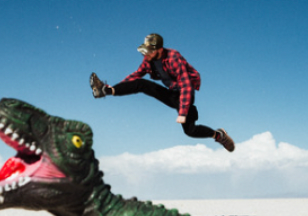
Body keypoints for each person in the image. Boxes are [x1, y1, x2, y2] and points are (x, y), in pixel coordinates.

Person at [90, 33, 235, 152]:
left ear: (158, 50)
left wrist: (183, 113)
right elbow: (135, 76)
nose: (145, 55)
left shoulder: (173, 58)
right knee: (141, 84)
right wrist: (114, 87)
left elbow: (186, 86)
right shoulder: (149, 61)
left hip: (185, 95)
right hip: (171, 93)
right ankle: (105, 90)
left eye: (148, 52)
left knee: (190, 131)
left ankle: (219, 135)